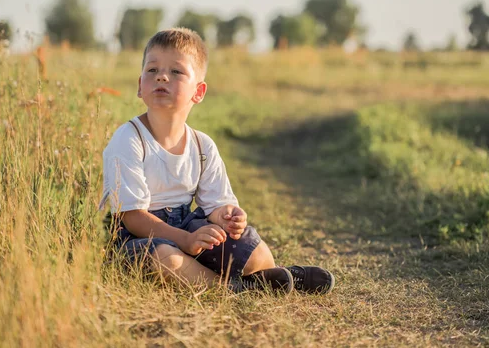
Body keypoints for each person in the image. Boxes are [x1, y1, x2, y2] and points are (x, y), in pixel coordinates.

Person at [100, 28, 334, 294]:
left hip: (186, 226)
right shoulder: (129, 139)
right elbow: (132, 218)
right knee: (168, 258)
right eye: (152, 70)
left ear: (198, 92)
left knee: (253, 250)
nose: (162, 76)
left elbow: (216, 204)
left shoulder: (202, 145)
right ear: (140, 85)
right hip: (140, 237)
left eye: (176, 72)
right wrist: (185, 240)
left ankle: (272, 276)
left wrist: (226, 216)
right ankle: (233, 289)